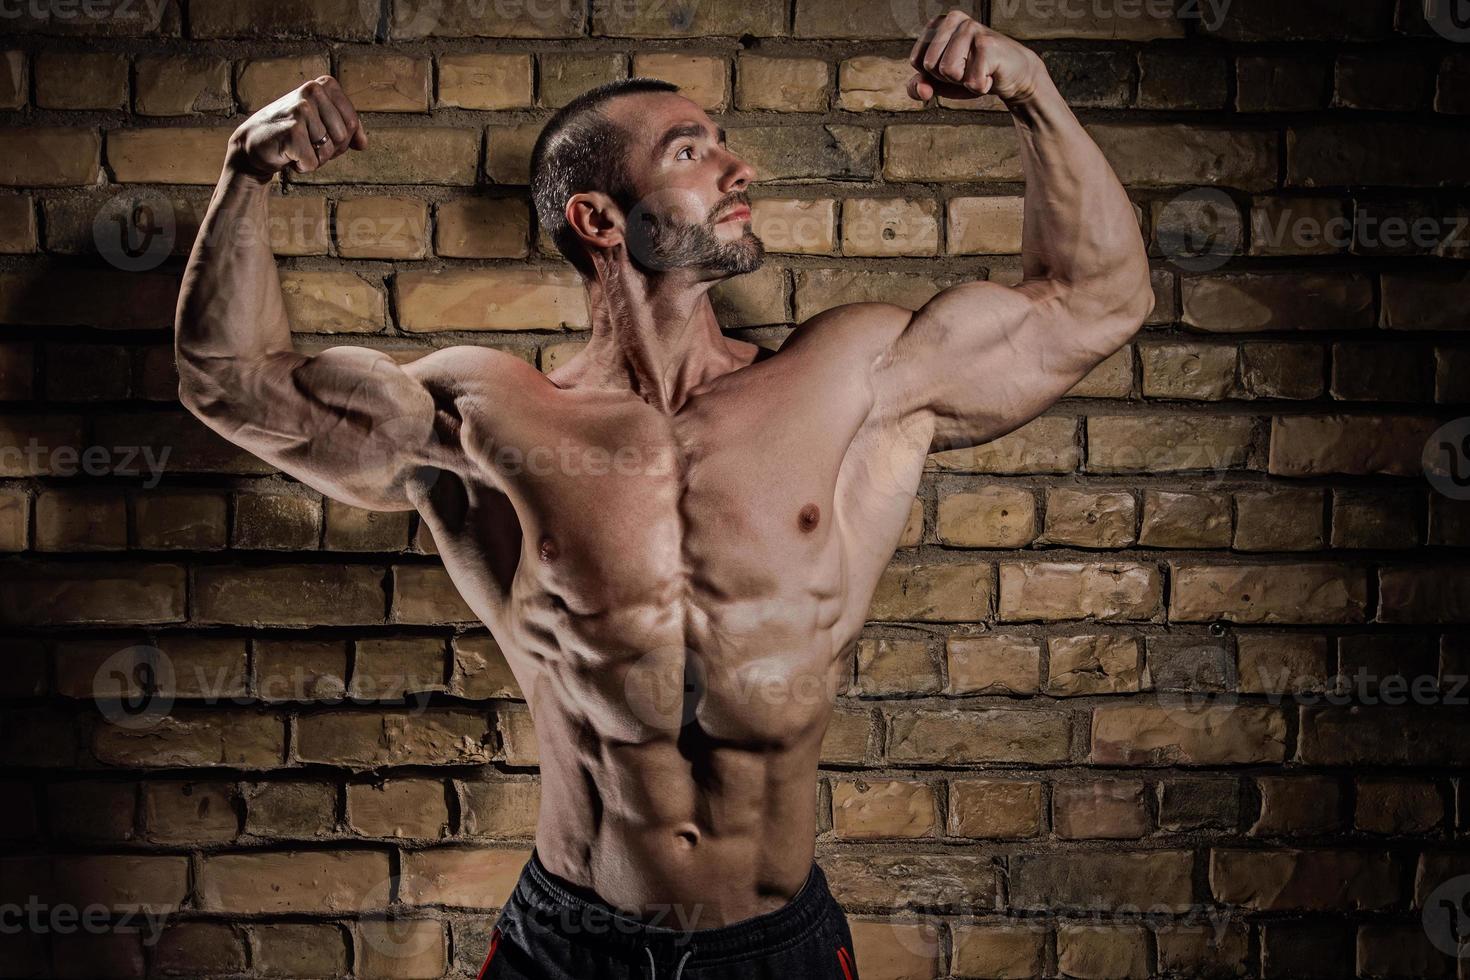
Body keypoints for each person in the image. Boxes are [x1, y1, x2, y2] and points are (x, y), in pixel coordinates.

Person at [175, 10, 1152, 978]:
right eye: (692, 152)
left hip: (774, 946)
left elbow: (1099, 298)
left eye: (726, 147)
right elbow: (233, 381)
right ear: (601, 217)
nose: (739, 172)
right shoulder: (489, 414)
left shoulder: (856, 375)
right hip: (568, 943)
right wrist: (246, 169)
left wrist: (1031, 90)